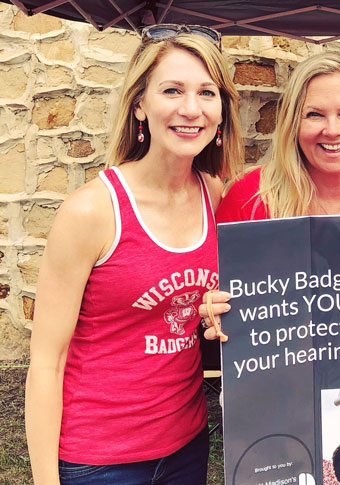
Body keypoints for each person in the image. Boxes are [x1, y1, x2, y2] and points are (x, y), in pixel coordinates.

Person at [24, 24, 243, 485]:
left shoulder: (216, 195)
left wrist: (214, 317)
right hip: (98, 461)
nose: (190, 109)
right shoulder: (91, 211)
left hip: (186, 446)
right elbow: (47, 360)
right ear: (140, 103)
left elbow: (198, 318)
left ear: (221, 111)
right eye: (172, 90)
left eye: (207, 92)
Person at [202, 49, 340, 331]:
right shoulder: (250, 198)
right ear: (294, 122)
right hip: (280, 369)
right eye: (314, 115)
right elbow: (212, 295)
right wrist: (213, 311)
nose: (332, 130)